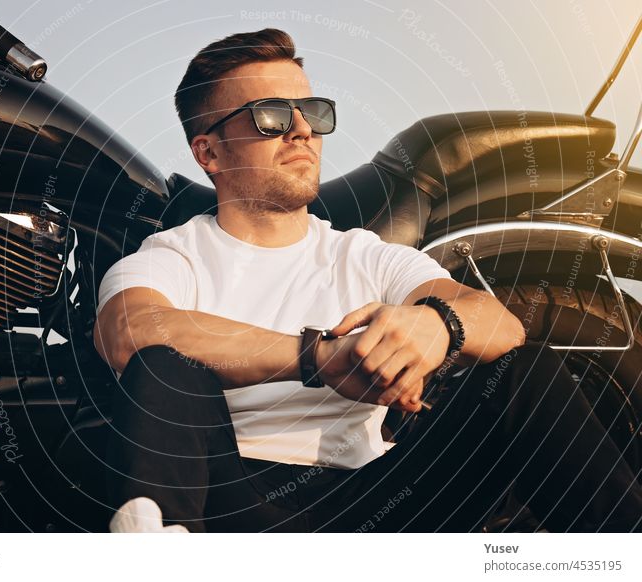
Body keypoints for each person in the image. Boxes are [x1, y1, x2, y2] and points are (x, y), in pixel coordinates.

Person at [92, 28, 642, 533]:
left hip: (372, 506)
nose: (302, 130)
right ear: (208, 151)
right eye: (272, 117)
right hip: (227, 503)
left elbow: (501, 327)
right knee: (166, 365)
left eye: (312, 111)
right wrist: (322, 358)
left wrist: (438, 325)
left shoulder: (364, 255)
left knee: (525, 372)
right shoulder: (172, 256)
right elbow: (131, 331)